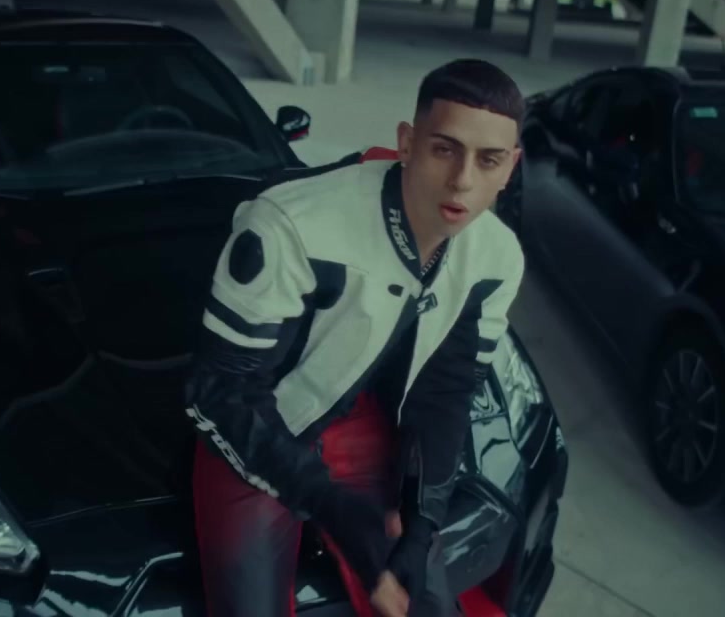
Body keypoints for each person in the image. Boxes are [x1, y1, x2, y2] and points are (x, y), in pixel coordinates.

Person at [185, 58, 527, 617]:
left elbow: (445, 392)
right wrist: (333, 508)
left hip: (358, 426)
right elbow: (220, 393)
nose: (463, 180)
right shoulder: (291, 222)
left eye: (488, 160)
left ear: (510, 166)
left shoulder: (498, 256)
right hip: (260, 428)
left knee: (424, 605)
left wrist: (422, 522)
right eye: (445, 149)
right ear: (407, 143)